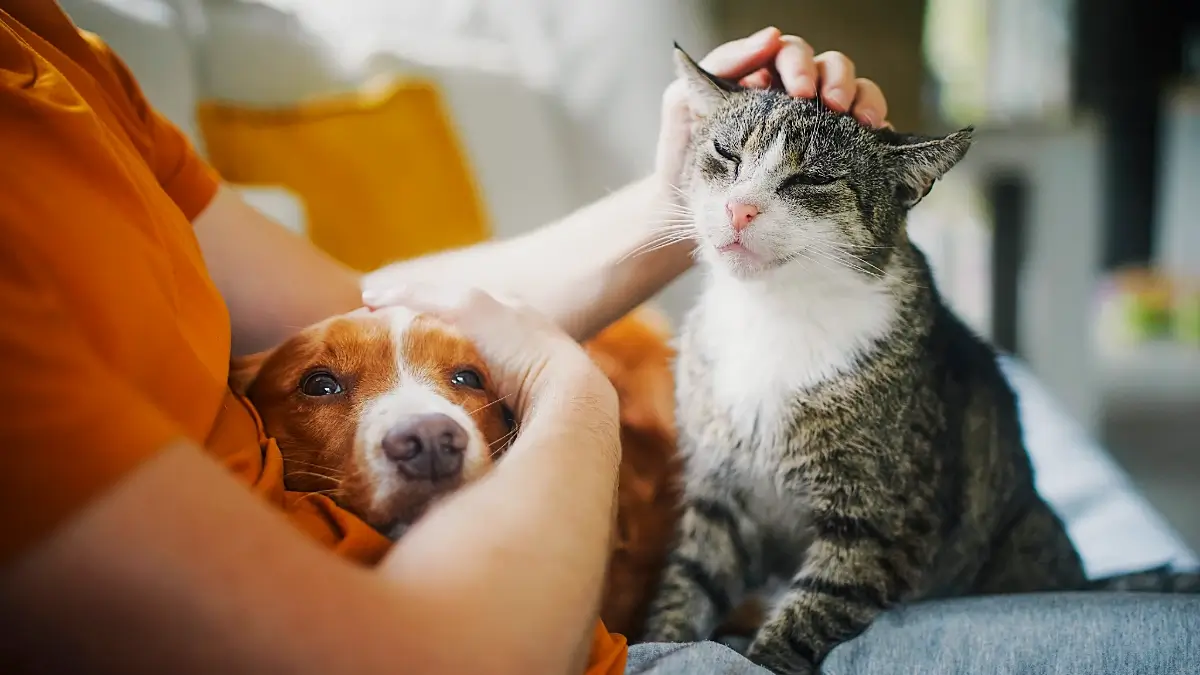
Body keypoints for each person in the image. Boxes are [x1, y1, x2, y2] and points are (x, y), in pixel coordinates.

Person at [0, 2, 889, 673]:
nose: (427, 426)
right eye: (318, 388)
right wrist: (567, 388)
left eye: (464, 384)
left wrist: (674, 201)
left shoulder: (57, 55)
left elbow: (370, 310)